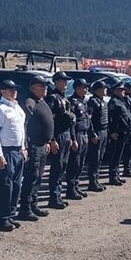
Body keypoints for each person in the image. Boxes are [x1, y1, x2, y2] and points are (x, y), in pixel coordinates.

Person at [0, 80, 28, 232]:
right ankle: (2, 220)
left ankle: (10, 215)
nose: (14, 92)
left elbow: (21, 131)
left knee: (16, 186)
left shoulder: (17, 108)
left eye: (15, 89)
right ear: (2, 91)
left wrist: (23, 147)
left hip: (17, 151)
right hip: (6, 152)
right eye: (10, 89)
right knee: (5, 187)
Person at [21, 76, 54, 221]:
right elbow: (25, 124)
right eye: (42, 86)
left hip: (43, 145)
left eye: (46, 86)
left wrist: (49, 140)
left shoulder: (42, 101)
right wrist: (27, 146)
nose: (45, 88)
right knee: (31, 178)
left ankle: (34, 205)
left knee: (39, 177)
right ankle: (25, 209)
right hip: (34, 146)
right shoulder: (30, 102)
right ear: (33, 87)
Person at [45, 72, 76, 207]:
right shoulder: (52, 98)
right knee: (56, 167)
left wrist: (72, 138)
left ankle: (58, 195)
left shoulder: (65, 98)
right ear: (56, 82)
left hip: (66, 134)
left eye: (66, 81)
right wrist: (51, 139)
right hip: (57, 135)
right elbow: (50, 121)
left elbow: (71, 121)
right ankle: (53, 197)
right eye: (63, 81)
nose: (65, 84)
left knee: (63, 166)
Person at [66, 79, 95, 194]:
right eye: (84, 87)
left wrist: (92, 133)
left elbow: (88, 119)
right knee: (74, 163)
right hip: (77, 135)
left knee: (81, 162)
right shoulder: (72, 102)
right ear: (77, 88)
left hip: (85, 134)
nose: (86, 89)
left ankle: (76, 186)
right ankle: (70, 188)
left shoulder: (83, 102)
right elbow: (71, 123)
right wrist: (73, 139)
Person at [106, 81, 131, 185]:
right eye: (121, 90)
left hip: (123, 132)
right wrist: (112, 132)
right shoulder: (113, 102)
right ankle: (112, 177)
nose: (123, 92)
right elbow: (110, 119)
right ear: (116, 91)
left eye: (123, 90)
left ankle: (116, 175)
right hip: (116, 133)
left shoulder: (121, 101)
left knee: (119, 156)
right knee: (115, 156)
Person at [85, 80, 109, 191]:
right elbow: (89, 120)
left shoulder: (103, 101)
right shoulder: (93, 102)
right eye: (104, 88)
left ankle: (96, 180)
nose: (106, 90)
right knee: (95, 158)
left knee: (100, 157)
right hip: (97, 132)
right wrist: (93, 134)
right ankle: (92, 181)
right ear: (98, 90)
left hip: (104, 131)